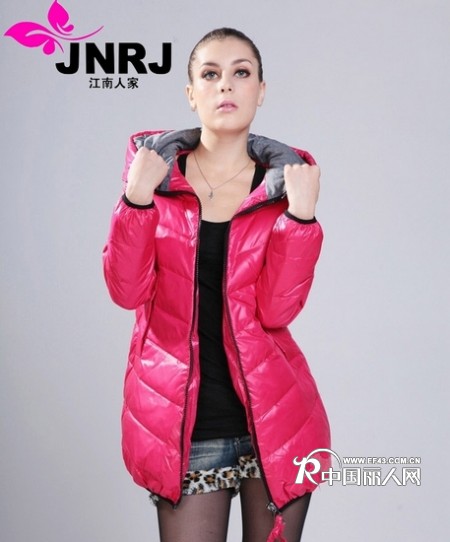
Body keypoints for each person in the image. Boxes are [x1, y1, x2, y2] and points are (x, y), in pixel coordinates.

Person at [103, 27, 331, 542]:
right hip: (183, 425)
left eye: (240, 73)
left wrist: (301, 219)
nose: (225, 85)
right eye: (210, 74)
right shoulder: (154, 183)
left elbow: (276, 311)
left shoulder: (284, 187)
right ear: (191, 93)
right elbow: (126, 291)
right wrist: (135, 201)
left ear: (260, 90)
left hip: (274, 421)